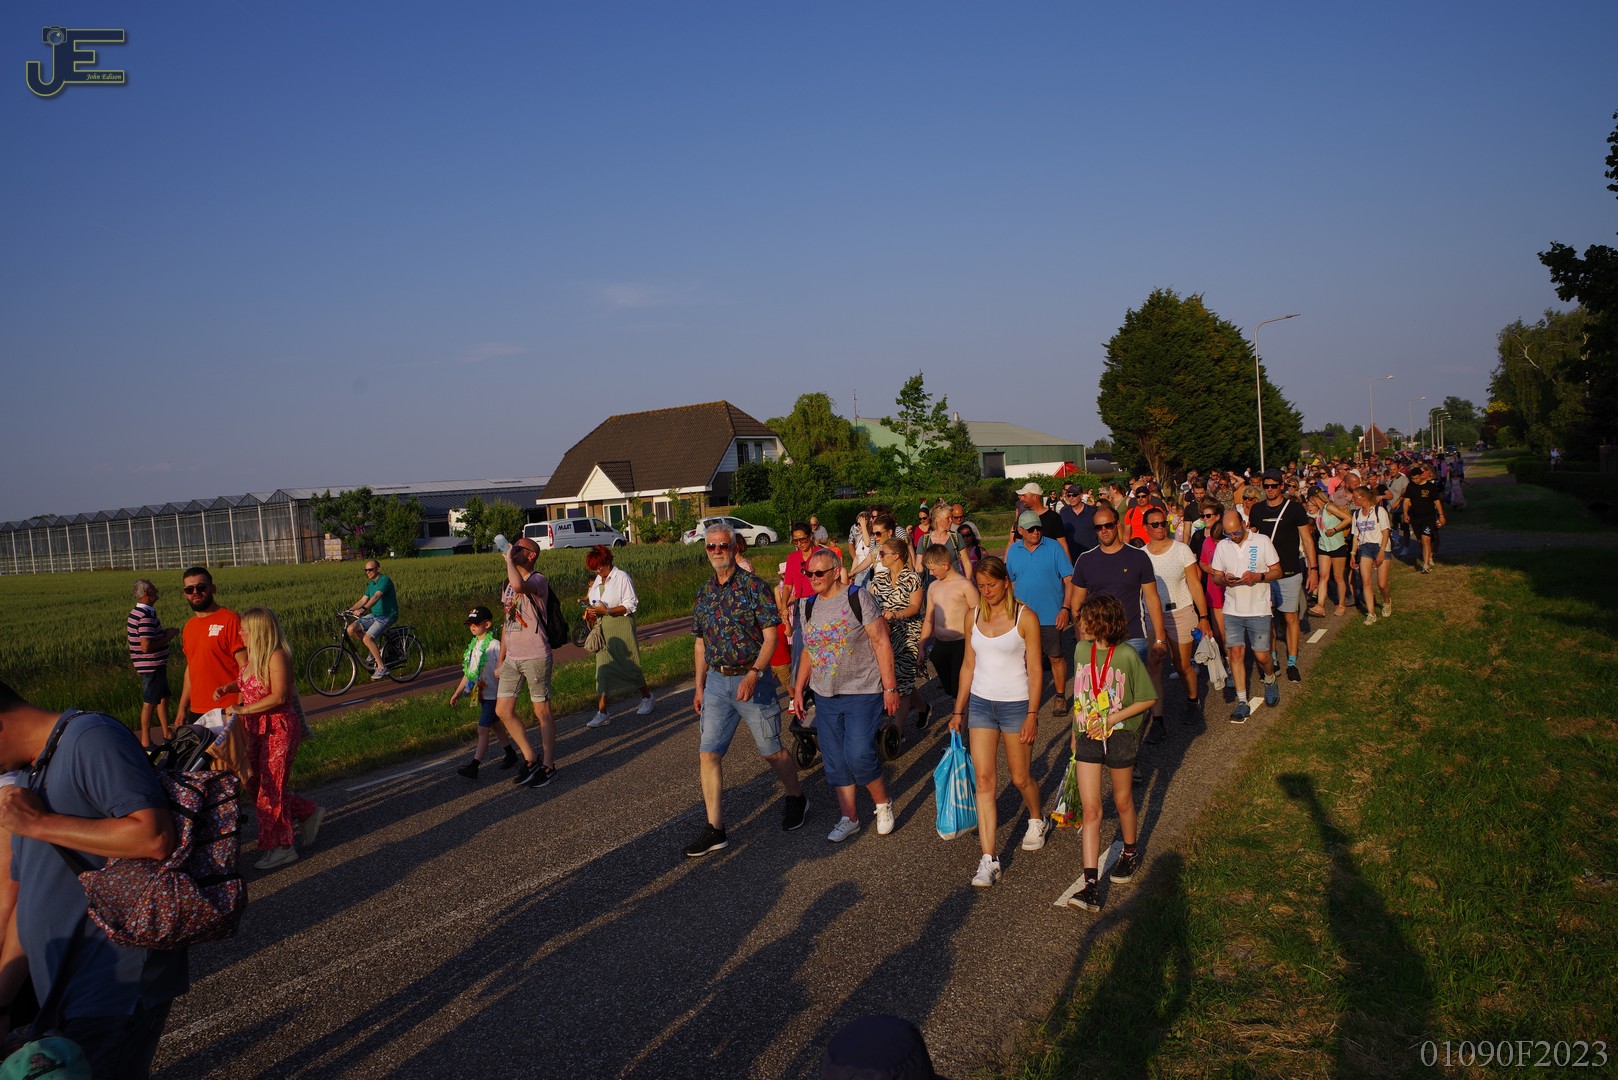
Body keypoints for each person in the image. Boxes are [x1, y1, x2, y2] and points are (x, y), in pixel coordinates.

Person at [0, 680, 188, 1076]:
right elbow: (27, 896)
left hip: (113, 987)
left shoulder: (90, 736)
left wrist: (39, 823)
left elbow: (153, 836)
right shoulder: (32, 773)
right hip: (62, 994)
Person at [688, 523, 807, 856]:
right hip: (716, 682)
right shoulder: (704, 592)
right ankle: (715, 829)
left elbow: (770, 637)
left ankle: (796, 796)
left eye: (722, 545)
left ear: (734, 547)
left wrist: (754, 673)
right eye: (711, 546)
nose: (716, 551)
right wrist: (698, 685)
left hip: (752, 680)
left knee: (771, 751)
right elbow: (700, 643)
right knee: (708, 753)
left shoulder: (754, 587)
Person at [947, 555, 1044, 888]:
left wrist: (1033, 714)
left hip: (1017, 705)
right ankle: (989, 859)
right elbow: (968, 665)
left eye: (991, 584)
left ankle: (1036, 817)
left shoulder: (1025, 617)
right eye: (981, 585)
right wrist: (958, 710)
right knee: (985, 781)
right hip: (981, 705)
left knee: (1020, 777)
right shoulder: (972, 616)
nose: (986, 591)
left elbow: (1035, 670)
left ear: (1006, 582)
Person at [793, 550, 901, 843]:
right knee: (834, 758)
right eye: (809, 573)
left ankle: (882, 804)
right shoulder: (807, 605)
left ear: (835, 571)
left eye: (819, 573)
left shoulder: (858, 597)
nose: (813, 578)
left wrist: (890, 688)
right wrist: (799, 688)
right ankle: (849, 818)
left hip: (862, 689)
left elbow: (880, 641)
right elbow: (809, 650)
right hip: (825, 693)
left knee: (859, 753)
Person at [1067, 594, 1156, 912]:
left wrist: (1112, 718)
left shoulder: (1127, 655)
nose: (1081, 624)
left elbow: (1147, 698)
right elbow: (1080, 693)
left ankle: (1129, 852)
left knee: (1122, 800)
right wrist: (1075, 733)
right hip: (1088, 735)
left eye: (1086, 619)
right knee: (1091, 810)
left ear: (1104, 623)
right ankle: (1090, 886)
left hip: (1120, 735)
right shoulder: (1081, 650)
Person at [216, 607, 323, 871]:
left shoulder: (277, 656)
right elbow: (249, 682)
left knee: (271, 789)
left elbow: (279, 696)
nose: (240, 633)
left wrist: (243, 709)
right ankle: (307, 812)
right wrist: (229, 687)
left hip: (278, 728)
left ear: (258, 630)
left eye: (244, 629)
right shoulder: (253, 656)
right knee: (253, 782)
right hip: (255, 729)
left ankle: (283, 847)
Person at [1209, 510, 1282, 721]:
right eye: (1228, 533)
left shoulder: (1262, 541)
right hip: (1232, 609)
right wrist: (1225, 579)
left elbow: (1277, 571)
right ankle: (1242, 701)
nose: (1233, 536)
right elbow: (1216, 576)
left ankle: (1270, 678)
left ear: (1244, 523)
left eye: (1236, 532)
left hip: (1258, 608)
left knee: (1262, 655)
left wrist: (1259, 576)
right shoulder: (1223, 546)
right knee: (1236, 653)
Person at [496, 538, 558, 788]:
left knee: (541, 711)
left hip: (535, 655)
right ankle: (531, 758)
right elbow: (506, 622)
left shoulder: (538, 580)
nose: (515, 549)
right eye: (514, 547)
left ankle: (549, 765)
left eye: (520, 548)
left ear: (532, 555)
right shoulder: (508, 584)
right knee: (503, 710)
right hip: (513, 657)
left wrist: (508, 560)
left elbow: (519, 585)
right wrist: (501, 659)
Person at [1247, 469, 1318, 684]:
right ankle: (1274, 659)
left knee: (1290, 617)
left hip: (1289, 571)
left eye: (1273, 486)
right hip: (1266, 573)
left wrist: (1313, 569)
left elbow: (1307, 540)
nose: (1269, 489)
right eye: (1266, 486)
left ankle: (1292, 663)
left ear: (1281, 486)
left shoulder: (1294, 509)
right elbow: (1251, 539)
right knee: (1267, 618)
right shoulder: (1257, 509)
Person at [1141, 507, 1211, 721]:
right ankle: (1157, 718)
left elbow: (1194, 584)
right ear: (1146, 527)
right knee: (1153, 665)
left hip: (1180, 611)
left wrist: (1204, 617)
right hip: (1152, 616)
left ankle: (1192, 700)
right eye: (1155, 524)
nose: (1160, 527)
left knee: (1182, 665)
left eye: (1163, 523)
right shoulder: (1141, 555)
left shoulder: (1181, 549)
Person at [1004, 510, 1075, 712]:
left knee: (1055, 657)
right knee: (1025, 659)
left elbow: (1069, 579)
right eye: (1030, 529)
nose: (1036, 532)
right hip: (1023, 617)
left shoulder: (1053, 547)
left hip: (1051, 615)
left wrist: (1065, 609)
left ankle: (1060, 696)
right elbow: (1008, 582)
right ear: (1020, 531)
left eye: (1038, 528)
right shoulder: (1014, 550)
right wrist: (1009, 610)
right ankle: (1027, 697)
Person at [583, 545, 655, 728]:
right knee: (602, 670)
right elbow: (594, 602)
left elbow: (631, 604)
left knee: (629, 665)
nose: (598, 570)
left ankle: (647, 697)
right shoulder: (597, 580)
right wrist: (591, 612)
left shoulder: (622, 577)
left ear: (608, 561)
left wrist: (607, 610)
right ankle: (602, 712)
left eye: (600, 566)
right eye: (594, 568)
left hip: (621, 624)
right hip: (603, 627)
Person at [451, 606, 517, 779]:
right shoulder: (473, 647)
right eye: (469, 624)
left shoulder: (495, 645)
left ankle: (474, 765)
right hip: (482, 694)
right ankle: (511, 754)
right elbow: (469, 674)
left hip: (494, 695)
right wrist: (457, 693)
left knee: (482, 729)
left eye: (476, 623)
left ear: (487, 624)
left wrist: (502, 674)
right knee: (496, 725)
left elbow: (506, 665)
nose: (472, 627)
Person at [173, 566, 245, 723]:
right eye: (189, 589)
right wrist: (182, 708)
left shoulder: (230, 620)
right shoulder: (189, 626)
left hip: (227, 708)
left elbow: (245, 667)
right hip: (197, 710)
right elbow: (191, 669)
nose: (195, 592)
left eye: (201, 587)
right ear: (185, 594)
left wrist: (240, 707)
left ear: (213, 588)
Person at [871, 536, 926, 734]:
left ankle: (897, 731)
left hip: (907, 633)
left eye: (883, 553)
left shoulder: (912, 578)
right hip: (884, 634)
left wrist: (896, 614)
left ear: (896, 556)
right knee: (898, 678)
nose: (879, 556)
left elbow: (915, 606)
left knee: (903, 680)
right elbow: (869, 604)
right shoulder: (878, 579)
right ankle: (923, 708)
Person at [918, 545, 979, 708]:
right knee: (951, 689)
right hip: (941, 646)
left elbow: (979, 617)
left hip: (962, 644)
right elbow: (929, 619)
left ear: (945, 565)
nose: (931, 573)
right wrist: (921, 646)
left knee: (961, 690)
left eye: (932, 569)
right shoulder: (933, 587)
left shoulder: (964, 585)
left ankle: (961, 720)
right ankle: (961, 716)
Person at [126, 579, 180, 746]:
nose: (157, 590)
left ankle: (167, 732)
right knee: (150, 702)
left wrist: (162, 634)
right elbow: (146, 646)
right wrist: (168, 637)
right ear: (148, 593)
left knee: (164, 697)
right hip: (152, 665)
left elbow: (148, 637)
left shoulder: (136, 612)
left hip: (153, 664)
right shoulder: (145, 615)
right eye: (154, 588)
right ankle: (146, 740)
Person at [346, 559, 399, 681]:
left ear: (378, 569)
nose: (367, 572)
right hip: (375, 615)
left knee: (367, 638)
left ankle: (381, 667)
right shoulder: (371, 584)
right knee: (351, 629)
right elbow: (363, 600)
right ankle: (374, 648)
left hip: (387, 615)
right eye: (366, 570)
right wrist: (349, 610)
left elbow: (376, 597)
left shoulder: (384, 580)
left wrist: (363, 609)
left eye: (370, 569)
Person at [1351, 487, 1394, 625]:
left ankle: (1387, 601)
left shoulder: (1379, 511)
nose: (1353, 500)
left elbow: (1386, 533)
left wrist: (1382, 551)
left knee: (1382, 583)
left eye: (1356, 497)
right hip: (1365, 548)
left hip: (1380, 546)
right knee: (1366, 582)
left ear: (1364, 498)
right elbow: (1356, 536)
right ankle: (1371, 613)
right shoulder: (1356, 514)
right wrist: (1353, 553)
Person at [1308, 492, 1353, 617]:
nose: (1309, 504)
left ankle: (1341, 605)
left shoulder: (1329, 507)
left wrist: (1334, 529)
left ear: (1316, 498)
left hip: (1337, 545)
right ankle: (1320, 606)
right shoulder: (1318, 512)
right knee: (1323, 576)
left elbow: (1348, 518)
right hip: (1324, 546)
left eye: (1310, 501)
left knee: (1338, 576)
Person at [1194, 499, 1228, 652]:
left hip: (1229, 588)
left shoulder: (1229, 540)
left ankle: (1231, 656)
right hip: (1211, 589)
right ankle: (1222, 656)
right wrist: (1211, 569)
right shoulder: (1203, 539)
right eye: (1203, 516)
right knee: (1218, 631)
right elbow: (1200, 561)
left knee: (1229, 630)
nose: (1205, 519)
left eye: (1208, 515)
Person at [1401, 460, 1447, 573]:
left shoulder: (1430, 486)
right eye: (1413, 479)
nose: (1415, 480)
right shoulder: (1410, 486)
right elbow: (1406, 501)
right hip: (1415, 517)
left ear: (1421, 476)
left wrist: (1441, 515)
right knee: (1420, 540)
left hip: (1428, 517)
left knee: (1426, 538)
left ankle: (1426, 565)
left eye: (1416, 478)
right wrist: (1406, 513)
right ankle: (1426, 556)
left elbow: (1436, 501)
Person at [1006, 483, 1070, 558]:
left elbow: (1063, 545)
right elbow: (1018, 543)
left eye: (1024, 495)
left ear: (1034, 497)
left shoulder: (1054, 517)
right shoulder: (1023, 518)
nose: (1021, 498)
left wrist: (1067, 564)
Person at [1057, 484, 1099, 555]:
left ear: (1081, 495)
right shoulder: (1063, 513)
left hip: (1091, 555)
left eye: (1074, 495)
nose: (1071, 498)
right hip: (1071, 556)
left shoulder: (1093, 512)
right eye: (1069, 495)